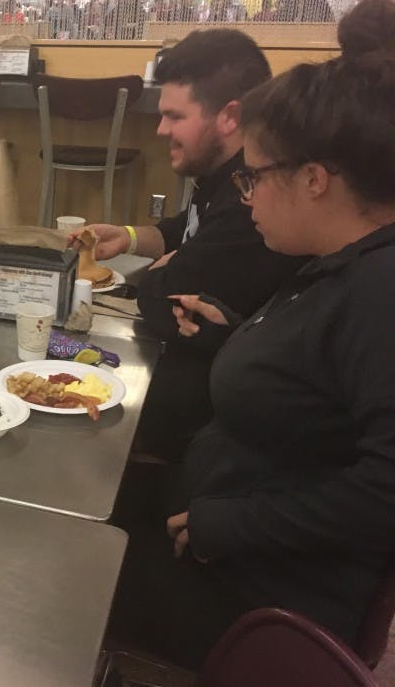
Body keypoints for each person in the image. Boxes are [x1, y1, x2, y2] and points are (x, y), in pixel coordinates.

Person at [108, 51, 395, 671]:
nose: (247, 195)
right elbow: (318, 393)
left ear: (316, 179)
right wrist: (232, 339)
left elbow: (385, 488)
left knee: (56, 557)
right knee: (86, 498)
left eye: (255, 177)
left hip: (257, 595)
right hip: (217, 525)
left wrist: (230, 527)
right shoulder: (332, 263)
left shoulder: (378, 290)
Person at [70, 30, 307, 461]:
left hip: (200, 425)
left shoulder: (251, 201)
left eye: (175, 117)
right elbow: (187, 229)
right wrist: (130, 236)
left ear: (230, 117)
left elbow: (162, 296)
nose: (161, 130)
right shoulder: (220, 173)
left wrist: (160, 274)